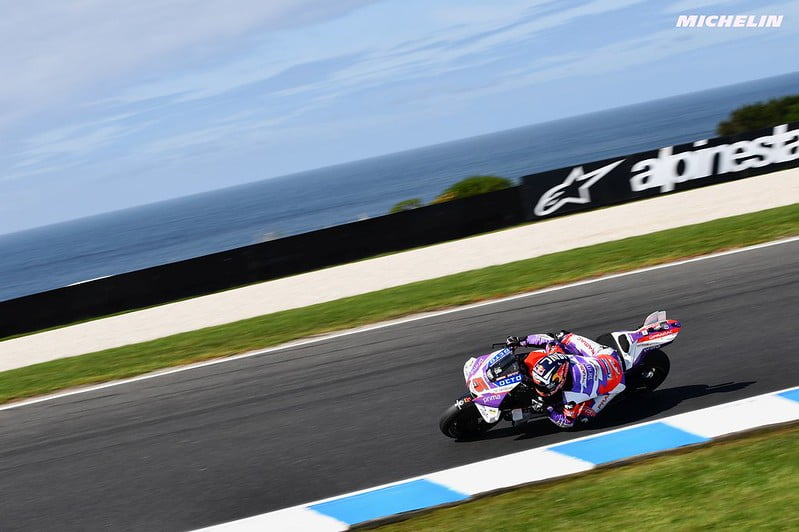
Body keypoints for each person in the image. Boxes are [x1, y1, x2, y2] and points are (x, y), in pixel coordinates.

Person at [505, 330, 626, 428]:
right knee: (563, 336)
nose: (539, 389)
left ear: (559, 380)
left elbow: (567, 422)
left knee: (584, 417)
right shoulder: (557, 354)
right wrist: (520, 341)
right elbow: (548, 339)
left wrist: (548, 410)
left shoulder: (570, 398)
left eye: (544, 387)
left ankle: (613, 393)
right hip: (606, 355)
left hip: (617, 382)